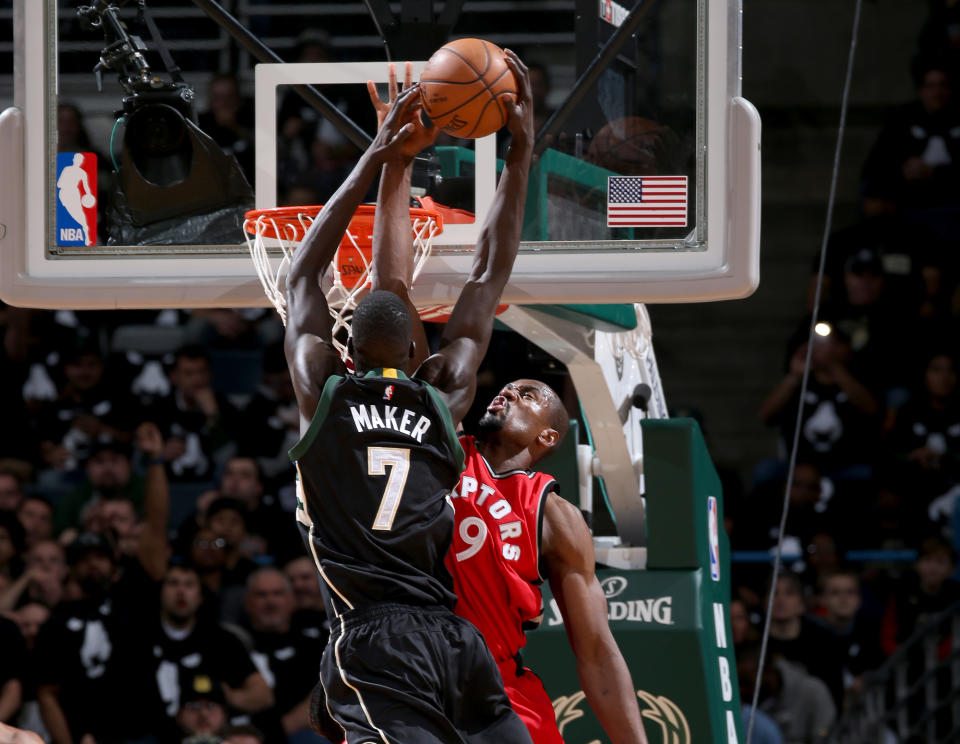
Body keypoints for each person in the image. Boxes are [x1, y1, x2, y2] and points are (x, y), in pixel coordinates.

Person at [368, 63, 648, 744]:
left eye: (528, 396)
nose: (507, 392)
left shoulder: (554, 514)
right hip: (404, 683)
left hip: (496, 696)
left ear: (549, 437)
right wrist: (395, 164)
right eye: (509, 386)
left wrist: (523, 150)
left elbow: (596, 654)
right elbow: (400, 288)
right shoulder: (435, 439)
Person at [285, 58, 535, 743]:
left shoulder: (322, 389)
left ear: (348, 348)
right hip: (456, 642)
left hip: (376, 644)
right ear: (416, 354)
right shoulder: (441, 393)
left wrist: (378, 155)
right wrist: (523, 146)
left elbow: (303, 272)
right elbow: (489, 271)